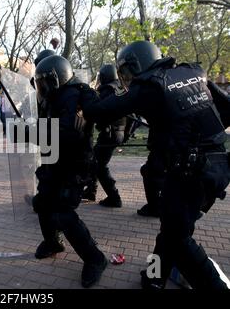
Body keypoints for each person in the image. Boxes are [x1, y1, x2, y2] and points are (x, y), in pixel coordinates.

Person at [78, 40, 229, 289]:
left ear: (137, 65)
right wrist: (188, 135)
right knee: (171, 229)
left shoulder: (148, 86)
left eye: (125, 72)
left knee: (179, 239)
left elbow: (99, 113)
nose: (126, 79)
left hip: (189, 172)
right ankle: (154, 276)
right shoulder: (193, 72)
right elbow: (226, 111)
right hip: (216, 164)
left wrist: (86, 91)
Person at [32, 55, 107, 288]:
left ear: (56, 78)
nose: (41, 87)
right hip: (53, 160)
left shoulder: (77, 95)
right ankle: (53, 242)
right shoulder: (50, 98)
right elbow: (46, 129)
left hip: (75, 163)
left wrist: (31, 134)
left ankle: (95, 259)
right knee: (42, 202)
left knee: (63, 213)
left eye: (44, 82)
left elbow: (66, 135)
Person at [87, 65, 126, 208]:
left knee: (99, 165)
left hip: (109, 134)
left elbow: (97, 111)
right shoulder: (119, 88)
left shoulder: (107, 90)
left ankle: (114, 197)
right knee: (94, 162)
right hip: (116, 133)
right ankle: (90, 191)